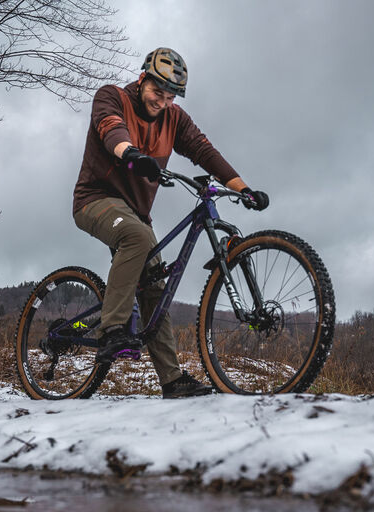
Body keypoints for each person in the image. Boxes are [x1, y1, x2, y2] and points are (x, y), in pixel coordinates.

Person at [72, 47, 269, 398]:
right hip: (95, 199)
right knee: (137, 238)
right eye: (156, 92)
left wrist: (244, 188)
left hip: (137, 213)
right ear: (142, 79)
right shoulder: (112, 97)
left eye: (170, 96)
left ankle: (172, 379)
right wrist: (130, 153)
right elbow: (110, 129)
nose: (162, 101)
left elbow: (204, 151)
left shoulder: (174, 119)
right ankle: (112, 329)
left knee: (154, 287)